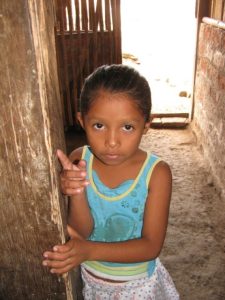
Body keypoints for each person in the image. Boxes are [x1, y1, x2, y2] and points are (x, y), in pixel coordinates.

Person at [43, 64, 179, 299]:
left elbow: (151, 246)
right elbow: (81, 232)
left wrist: (89, 251)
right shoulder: (78, 160)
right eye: (99, 126)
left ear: (146, 125)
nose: (112, 142)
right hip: (90, 282)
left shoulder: (157, 173)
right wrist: (76, 191)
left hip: (138, 287)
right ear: (82, 121)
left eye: (127, 127)